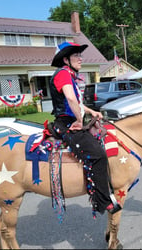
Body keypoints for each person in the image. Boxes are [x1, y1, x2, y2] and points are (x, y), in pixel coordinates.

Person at [50, 41, 121, 215]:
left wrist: (92, 111)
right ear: (66, 60)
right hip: (67, 124)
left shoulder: (68, 75)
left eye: (80, 55)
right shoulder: (64, 74)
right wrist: (80, 120)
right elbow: (71, 100)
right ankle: (103, 201)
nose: (80, 59)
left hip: (71, 120)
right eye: (76, 56)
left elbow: (78, 103)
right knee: (98, 154)